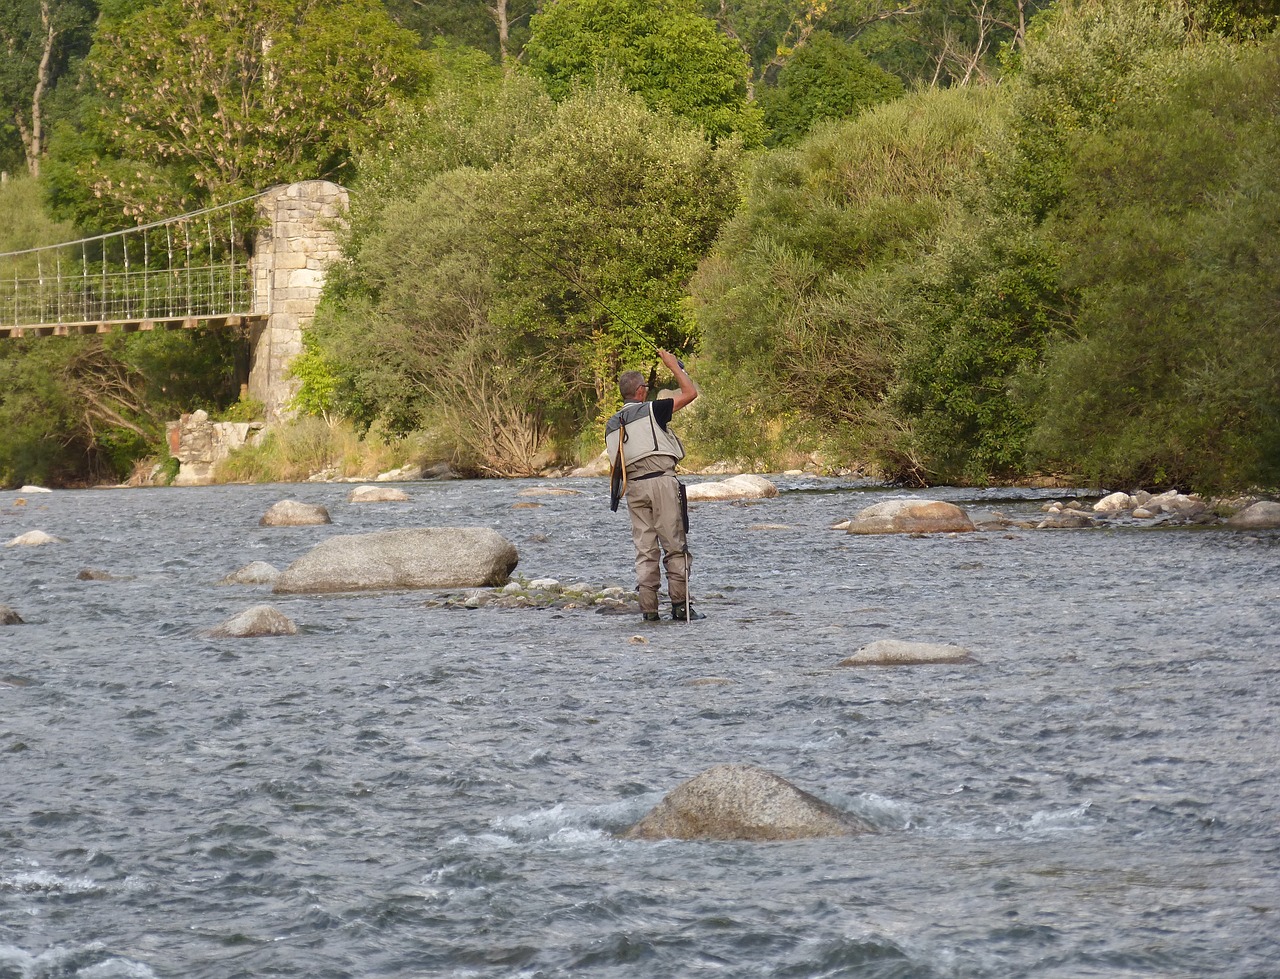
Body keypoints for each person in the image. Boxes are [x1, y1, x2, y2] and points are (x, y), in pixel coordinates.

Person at [605, 348, 704, 622]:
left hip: (633, 489)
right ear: (639, 391)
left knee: (645, 550)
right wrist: (674, 366)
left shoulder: (612, 423)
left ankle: (649, 611)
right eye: (645, 387)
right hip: (660, 482)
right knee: (674, 544)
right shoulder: (653, 409)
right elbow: (689, 393)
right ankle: (681, 608)